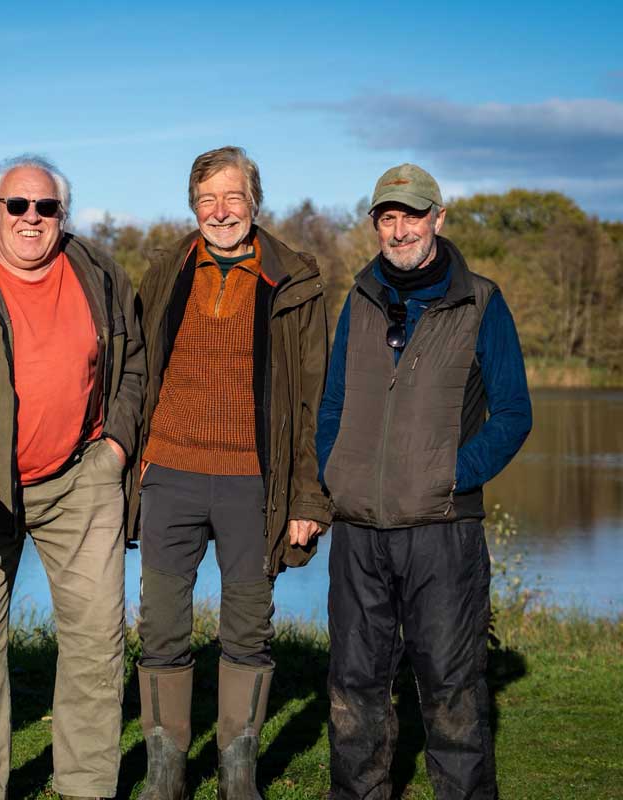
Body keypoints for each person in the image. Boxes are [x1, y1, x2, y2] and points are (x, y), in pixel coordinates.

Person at [0, 155, 145, 800]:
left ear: (62, 216)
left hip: (83, 476)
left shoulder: (100, 272)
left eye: (46, 208)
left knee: (97, 639)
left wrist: (118, 447)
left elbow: (134, 366)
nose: (31, 218)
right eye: (17, 206)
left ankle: (87, 787)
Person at [317, 164, 532, 800]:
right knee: (354, 682)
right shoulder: (356, 300)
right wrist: (337, 470)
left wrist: (449, 476)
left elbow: (513, 414)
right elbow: (332, 404)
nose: (400, 228)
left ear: (438, 218)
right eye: (388, 215)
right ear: (376, 223)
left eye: (412, 214)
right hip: (358, 528)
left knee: (451, 685)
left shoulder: (481, 302)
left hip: (442, 529)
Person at [129, 146, 330, 800]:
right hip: (170, 475)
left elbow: (314, 400)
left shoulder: (295, 280)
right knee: (160, 626)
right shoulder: (165, 271)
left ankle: (238, 775)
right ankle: (167, 773)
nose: (221, 211)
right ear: (193, 207)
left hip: (255, 485)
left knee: (248, 628)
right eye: (207, 199)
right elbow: (134, 369)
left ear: (254, 202)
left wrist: (309, 497)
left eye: (233, 197)